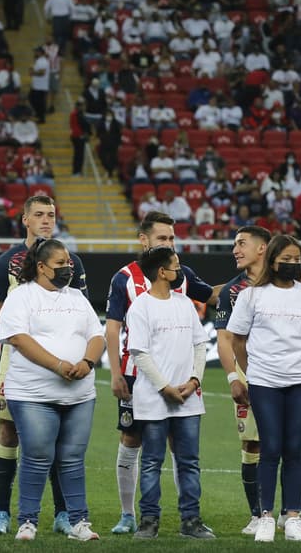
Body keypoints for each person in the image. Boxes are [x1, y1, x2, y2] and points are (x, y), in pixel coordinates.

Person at [104, 212, 218, 535]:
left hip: (180, 377)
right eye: (163, 239)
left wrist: (245, 284)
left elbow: (210, 295)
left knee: (181, 451)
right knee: (132, 439)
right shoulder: (123, 278)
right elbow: (112, 329)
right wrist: (115, 372)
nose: (169, 243)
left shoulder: (182, 277)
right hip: (136, 374)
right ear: (144, 240)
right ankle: (130, 514)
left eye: (172, 238)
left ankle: (188, 517)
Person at [0, 194, 88, 536]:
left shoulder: (71, 263)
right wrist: (24, 339)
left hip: (64, 366)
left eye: (51, 215)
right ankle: (3, 512)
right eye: (39, 215)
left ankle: (62, 513)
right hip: (17, 363)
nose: (46, 220)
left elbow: (81, 311)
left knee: (60, 440)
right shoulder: (5, 263)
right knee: (8, 432)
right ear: (25, 220)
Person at [0, 238, 105, 542]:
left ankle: (79, 522)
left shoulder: (77, 298)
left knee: (72, 458)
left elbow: (96, 335)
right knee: (36, 455)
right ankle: (27, 522)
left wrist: (87, 362)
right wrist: (58, 365)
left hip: (80, 394)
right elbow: (19, 338)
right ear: (41, 267)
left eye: (68, 263)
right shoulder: (21, 297)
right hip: (32, 394)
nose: (67, 269)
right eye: (60, 264)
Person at [227, 234, 301, 543]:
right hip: (264, 381)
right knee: (270, 448)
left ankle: (292, 517)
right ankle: (265, 516)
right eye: (287, 260)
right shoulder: (251, 296)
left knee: (294, 449)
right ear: (272, 261)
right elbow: (236, 340)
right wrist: (252, 369)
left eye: (297, 260)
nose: (293, 265)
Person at [125, 246, 214, 539]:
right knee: (151, 461)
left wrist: (194, 380)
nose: (180, 270)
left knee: (189, 461)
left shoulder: (185, 303)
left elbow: (200, 344)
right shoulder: (140, 306)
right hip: (154, 398)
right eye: (176, 265)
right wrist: (165, 387)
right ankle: (149, 520)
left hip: (188, 397)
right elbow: (139, 353)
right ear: (162, 272)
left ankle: (191, 520)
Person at [213, 225, 271, 536]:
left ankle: (287, 512)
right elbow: (224, 339)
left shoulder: (284, 285)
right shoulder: (231, 291)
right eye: (234, 244)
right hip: (249, 378)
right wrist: (234, 376)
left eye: (242, 243)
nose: (235, 249)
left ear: (262, 248)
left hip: (281, 376)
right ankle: (256, 514)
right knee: (252, 443)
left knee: (283, 445)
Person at [28, 47, 50, 125]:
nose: (35, 53)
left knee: (39, 102)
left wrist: (32, 72)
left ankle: (41, 118)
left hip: (41, 86)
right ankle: (38, 114)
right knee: (32, 99)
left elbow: (42, 73)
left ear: (40, 52)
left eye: (36, 52)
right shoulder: (38, 61)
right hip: (37, 85)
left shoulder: (43, 62)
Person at [70, 99, 90, 176]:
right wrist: (84, 134)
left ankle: (77, 171)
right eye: (83, 105)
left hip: (78, 136)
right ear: (79, 106)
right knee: (78, 155)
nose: (84, 107)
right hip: (78, 136)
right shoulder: (76, 114)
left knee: (79, 155)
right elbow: (82, 125)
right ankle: (76, 171)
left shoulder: (78, 113)